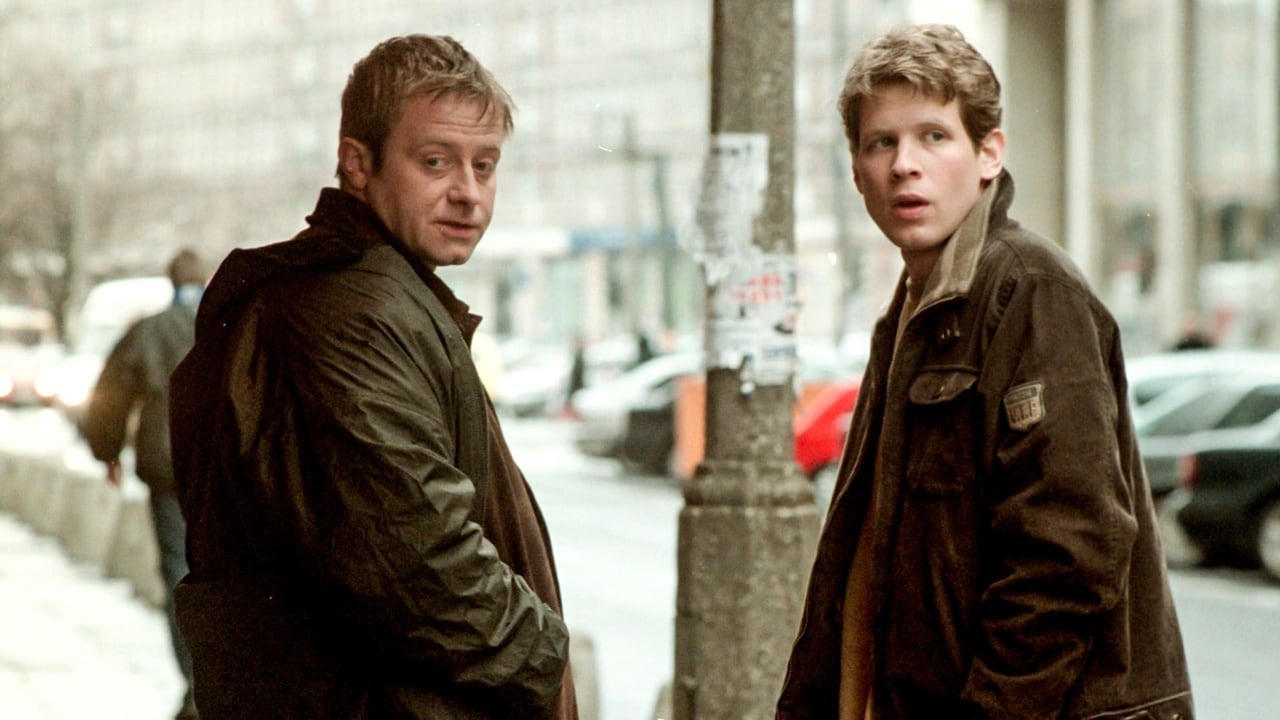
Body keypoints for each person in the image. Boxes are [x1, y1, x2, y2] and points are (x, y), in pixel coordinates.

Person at [776, 24, 1194, 720]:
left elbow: (1067, 555)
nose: (904, 165)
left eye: (934, 137)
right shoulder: (911, 313)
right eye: (881, 143)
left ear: (988, 154)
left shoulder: (1030, 289)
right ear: (855, 171)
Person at [168, 35, 576, 719]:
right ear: (358, 163)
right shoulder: (353, 310)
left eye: (485, 165)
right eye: (435, 162)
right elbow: (419, 564)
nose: (468, 193)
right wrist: (544, 655)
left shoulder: (381, 295)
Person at [82, 247, 208, 720]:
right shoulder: (225, 324)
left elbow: (111, 393)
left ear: (170, 281)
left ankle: (195, 687)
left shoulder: (149, 331)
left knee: (178, 573)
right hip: (218, 471)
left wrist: (107, 451)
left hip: (166, 468)